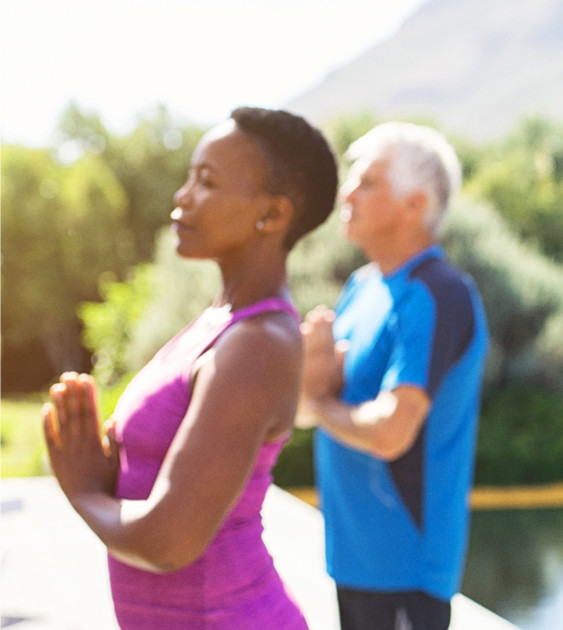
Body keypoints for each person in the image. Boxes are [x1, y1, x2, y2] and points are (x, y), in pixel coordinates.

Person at [41, 107, 339, 628]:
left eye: (207, 181)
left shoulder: (258, 342)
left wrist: (85, 490)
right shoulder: (220, 323)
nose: (182, 196)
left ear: (271, 214)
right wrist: (114, 476)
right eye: (189, 176)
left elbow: (167, 543)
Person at [296, 121, 488, 630]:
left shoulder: (437, 292)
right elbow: (304, 409)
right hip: (354, 559)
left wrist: (318, 403)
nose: (347, 192)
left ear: (415, 205)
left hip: (405, 569)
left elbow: (390, 431)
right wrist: (311, 375)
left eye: (369, 182)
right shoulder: (363, 287)